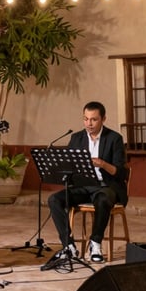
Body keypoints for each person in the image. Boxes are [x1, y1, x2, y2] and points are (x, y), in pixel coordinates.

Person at [41, 101, 128, 270]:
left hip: (106, 186)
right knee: (54, 200)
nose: (89, 123)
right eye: (86, 119)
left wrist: (102, 164)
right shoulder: (77, 138)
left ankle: (95, 243)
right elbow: (69, 165)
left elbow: (121, 173)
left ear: (103, 119)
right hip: (82, 186)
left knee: (103, 200)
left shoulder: (114, 138)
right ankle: (69, 246)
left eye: (94, 119)